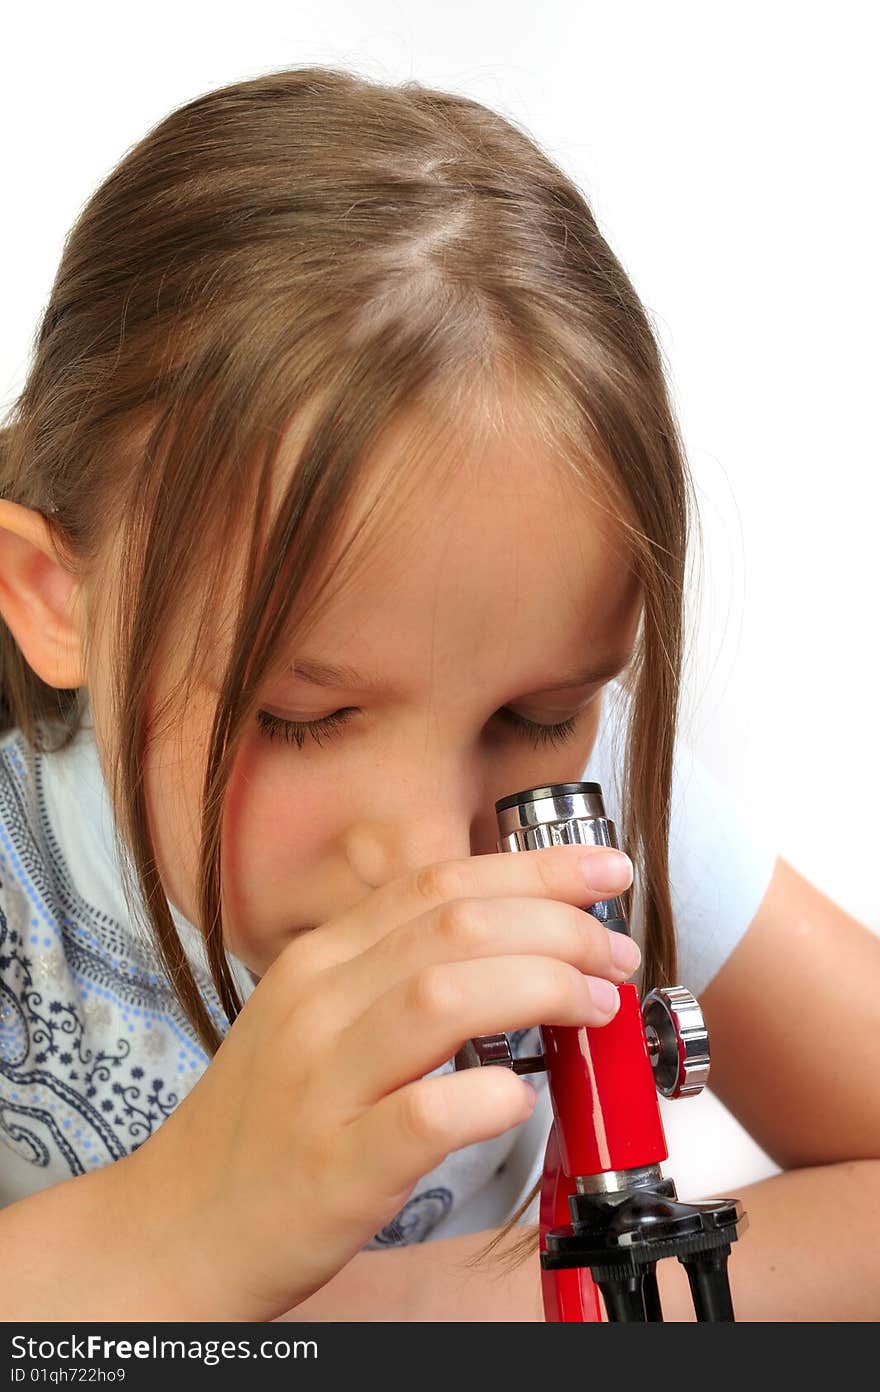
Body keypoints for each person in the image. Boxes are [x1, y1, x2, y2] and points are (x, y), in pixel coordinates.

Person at [0, 65, 876, 1324]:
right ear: (50, 597)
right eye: (301, 716)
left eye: (535, 718)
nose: (426, 859)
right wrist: (178, 1236)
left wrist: (411, 1313)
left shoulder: (596, 820)